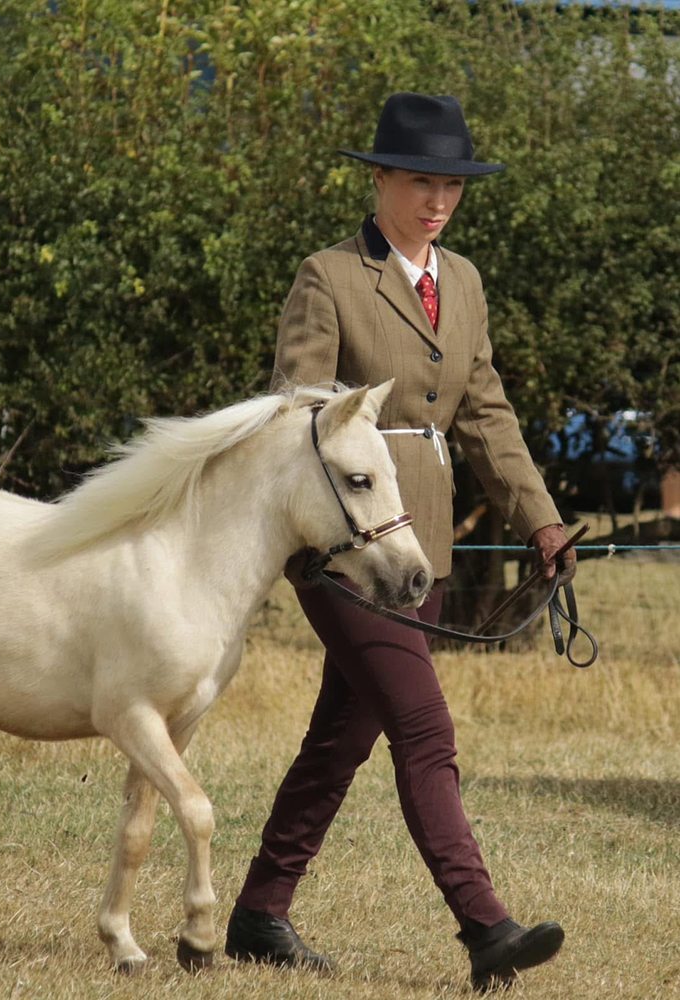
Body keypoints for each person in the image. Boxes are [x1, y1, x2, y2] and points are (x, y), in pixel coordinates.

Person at [224, 92, 577, 993]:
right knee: (424, 727)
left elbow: (486, 411)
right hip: (347, 552)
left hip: (424, 553)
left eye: (452, 185)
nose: (438, 200)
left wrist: (538, 516)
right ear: (378, 178)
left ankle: (260, 913)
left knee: (342, 737)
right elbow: (297, 418)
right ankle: (485, 926)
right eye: (421, 181)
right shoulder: (329, 276)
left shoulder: (461, 281)